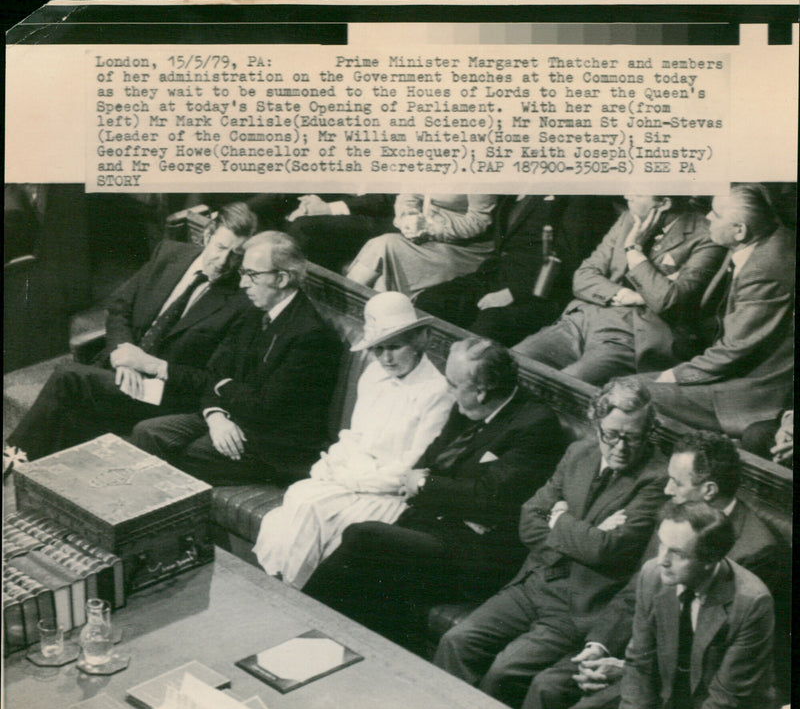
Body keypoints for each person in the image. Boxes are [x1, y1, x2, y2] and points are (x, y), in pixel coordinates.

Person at [302, 337, 565, 652]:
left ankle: (302, 630)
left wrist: (428, 486)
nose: (448, 391)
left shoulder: (535, 425)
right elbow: (430, 460)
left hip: (479, 556)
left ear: (482, 391)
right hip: (435, 527)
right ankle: (334, 648)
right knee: (368, 574)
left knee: (363, 536)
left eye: (454, 385)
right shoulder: (466, 405)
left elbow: (487, 499)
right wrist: (444, 489)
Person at [433, 376, 666, 709]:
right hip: (533, 583)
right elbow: (529, 518)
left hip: (577, 606)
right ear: (596, 422)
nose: (621, 448)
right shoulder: (579, 452)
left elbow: (609, 549)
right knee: (457, 641)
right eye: (612, 435)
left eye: (633, 437)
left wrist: (559, 520)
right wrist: (587, 535)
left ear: (649, 433)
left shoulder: (657, 478)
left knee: (503, 670)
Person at [523, 430, 787, 709]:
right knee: (547, 686)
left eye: (676, 482)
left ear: (709, 490)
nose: (667, 490)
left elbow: (718, 660)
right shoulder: (676, 515)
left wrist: (626, 668)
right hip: (643, 651)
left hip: (696, 680)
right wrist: (600, 646)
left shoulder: (757, 553)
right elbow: (637, 591)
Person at [4, 202, 257, 466]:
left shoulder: (243, 302)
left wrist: (147, 364)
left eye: (236, 255)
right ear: (207, 237)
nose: (225, 261)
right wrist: (123, 355)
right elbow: (120, 307)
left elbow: (214, 378)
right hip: (120, 368)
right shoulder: (171, 253)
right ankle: (35, 478)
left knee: (67, 378)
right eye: (221, 248)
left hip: (165, 392)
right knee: (69, 413)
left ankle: (11, 458)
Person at [251, 291, 455, 589]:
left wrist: (353, 479)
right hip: (349, 478)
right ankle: (285, 589)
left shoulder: (436, 392)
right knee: (296, 497)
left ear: (419, 340)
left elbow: (409, 469)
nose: (386, 358)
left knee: (310, 508)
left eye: (395, 347)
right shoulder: (373, 374)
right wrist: (336, 464)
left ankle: (294, 593)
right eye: (378, 349)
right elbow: (354, 436)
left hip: (387, 495)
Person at [130, 231, 341, 487]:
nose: (243, 284)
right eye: (242, 273)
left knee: (180, 455)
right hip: (231, 417)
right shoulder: (253, 311)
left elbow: (266, 407)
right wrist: (215, 415)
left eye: (252, 275)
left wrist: (222, 387)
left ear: (282, 278)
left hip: (273, 444)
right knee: (146, 432)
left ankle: (170, 523)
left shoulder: (310, 334)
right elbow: (214, 370)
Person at [513, 194, 725, 385]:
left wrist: (634, 249)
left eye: (638, 193)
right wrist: (629, 296)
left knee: (570, 382)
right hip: (585, 317)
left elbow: (668, 301)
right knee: (516, 360)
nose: (627, 195)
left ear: (664, 203)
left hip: (635, 333)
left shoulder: (707, 236)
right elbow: (583, 276)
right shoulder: (627, 219)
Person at [642, 183, 794, 436]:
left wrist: (675, 376)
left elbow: (734, 350)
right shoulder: (767, 238)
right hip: (729, 367)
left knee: (629, 394)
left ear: (739, 231)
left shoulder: (766, 269)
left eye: (716, 214)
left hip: (750, 391)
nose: (708, 218)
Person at [619, 501, 774, 709]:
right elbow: (639, 664)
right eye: (661, 545)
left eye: (677, 553)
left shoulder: (752, 602)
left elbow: (725, 700)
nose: (662, 560)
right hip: (667, 699)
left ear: (710, 559)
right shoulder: (651, 575)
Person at [415, 195, 617, 346]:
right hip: (495, 275)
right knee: (430, 301)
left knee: (488, 326)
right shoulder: (518, 189)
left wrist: (515, 293)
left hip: (539, 293)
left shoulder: (585, 197)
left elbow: (570, 260)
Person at [346, 194, 497, 297]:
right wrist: (407, 217)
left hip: (464, 248)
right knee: (382, 248)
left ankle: (346, 304)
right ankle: (349, 307)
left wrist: (429, 226)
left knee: (386, 245)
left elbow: (479, 221)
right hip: (424, 237)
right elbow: (407, 196)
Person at [285, 193, 396, 273]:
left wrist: (329, 208)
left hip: (379, 219)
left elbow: (387, 198)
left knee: (304, 227)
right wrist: (309, 202)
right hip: (345, 203)